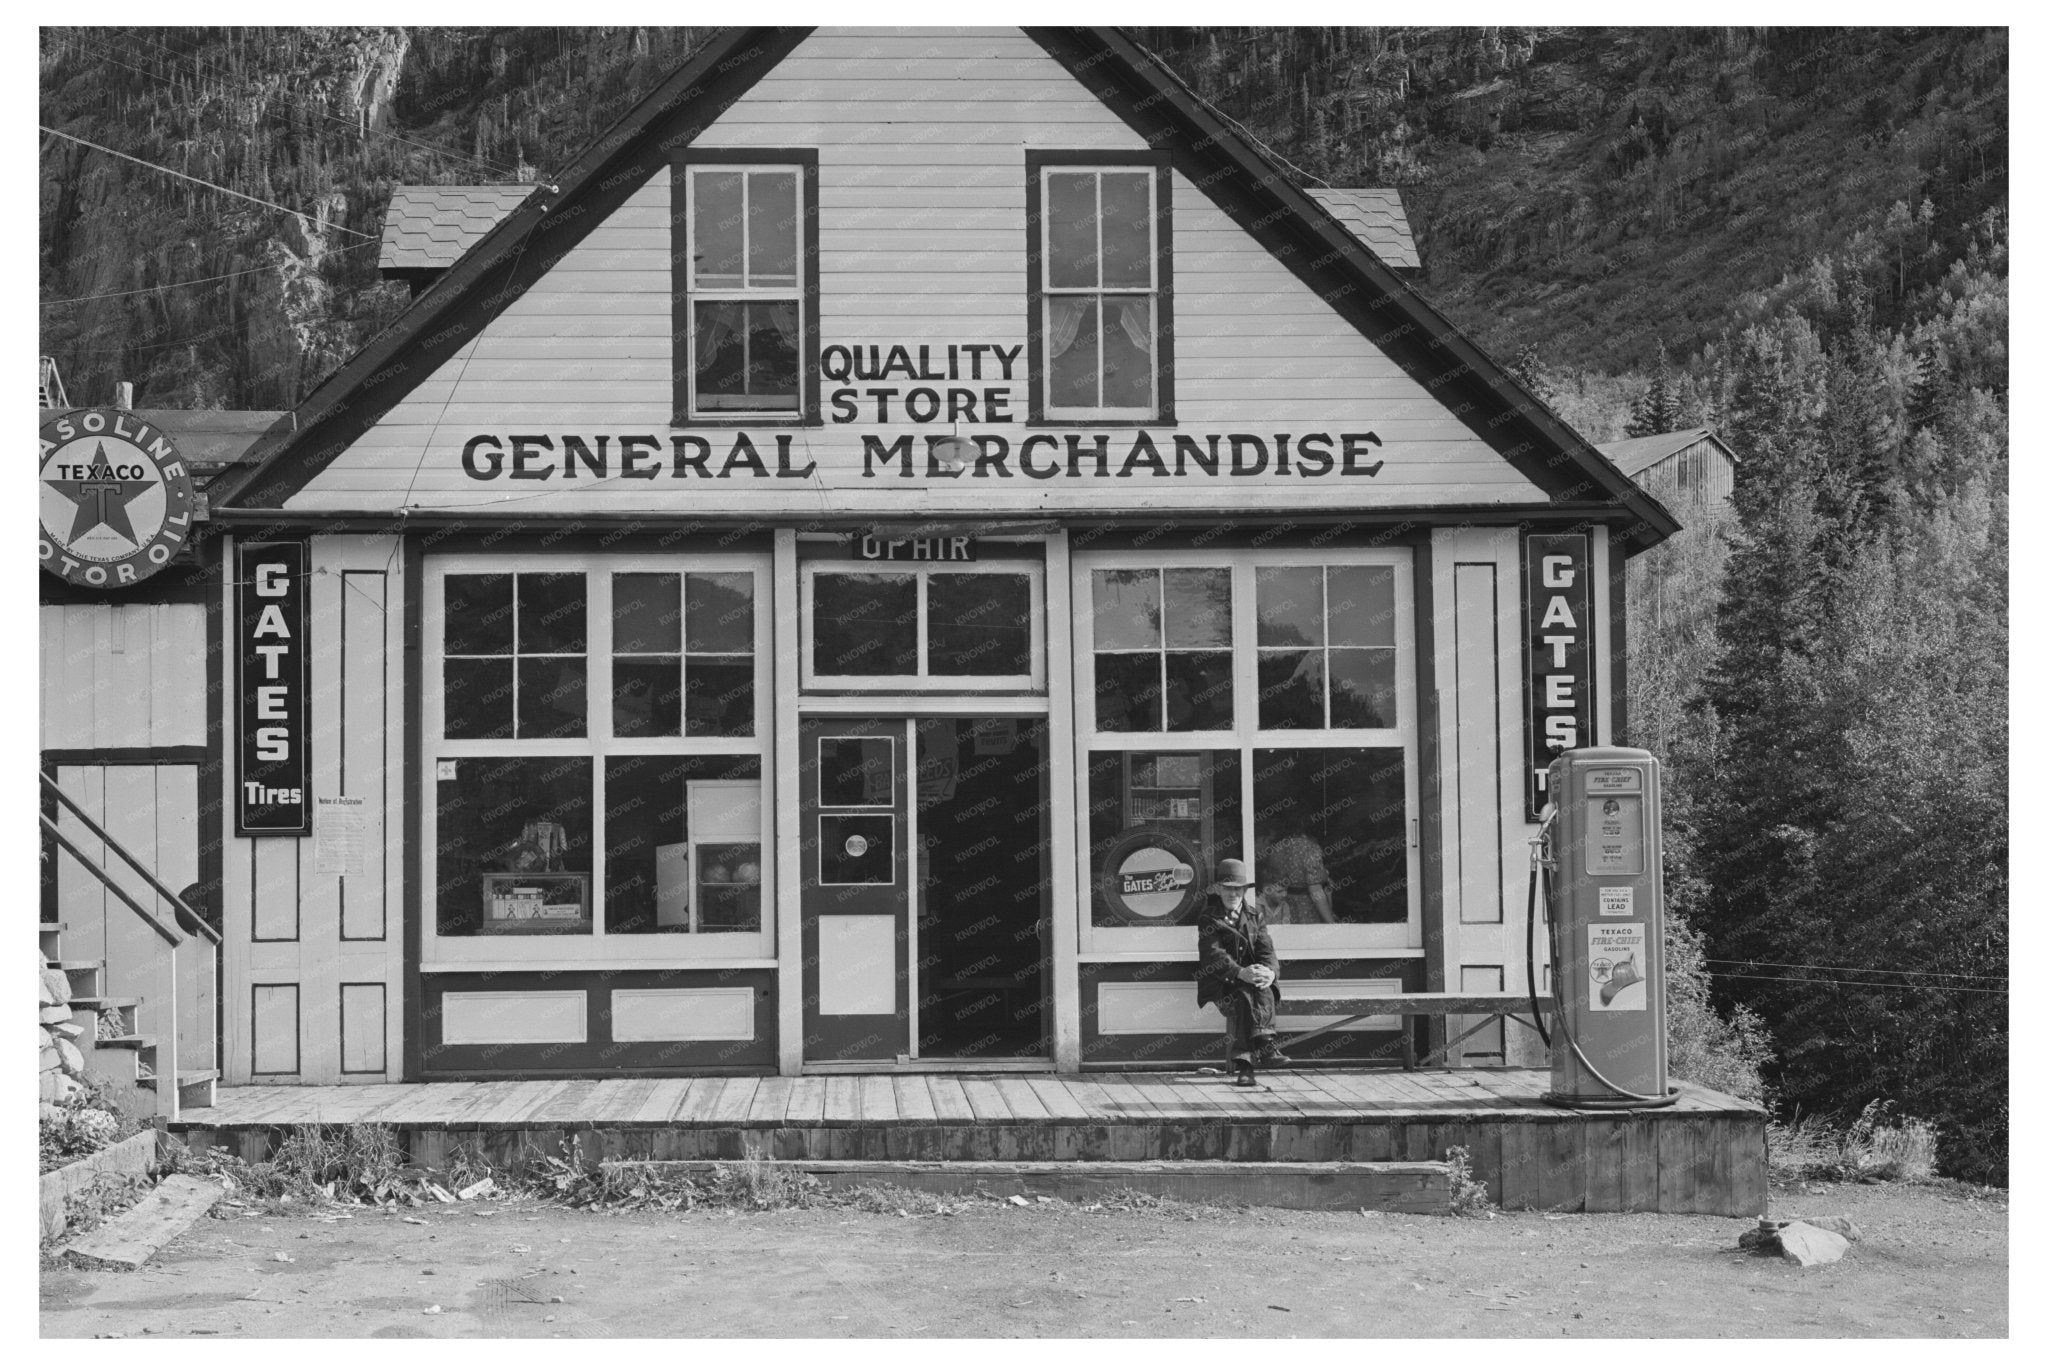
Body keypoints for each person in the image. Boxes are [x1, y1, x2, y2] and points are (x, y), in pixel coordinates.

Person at [1195, 857, 1290, 1086]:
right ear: (1219, 889)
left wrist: (1270, 973)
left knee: (1262, 987)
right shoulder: (1208, 918)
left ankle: (1247, 1064)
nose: (1233, 894)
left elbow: (1267, 951)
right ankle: (1264, 1047)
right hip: (1223, 982)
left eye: (1237, 889)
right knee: (1244, 995)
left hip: (1251, 982)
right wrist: (1240, 972)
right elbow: (1212, 955)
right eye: (1228, 889)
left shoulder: (1256, 917)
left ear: (1245, 891)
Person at [1256, 827, 1336, 924]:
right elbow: (1315, 890)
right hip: (1307, 908)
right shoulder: (1310, 847)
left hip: (1282, 906)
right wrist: (1331, 923)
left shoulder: (1277, 847)